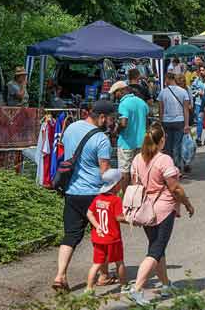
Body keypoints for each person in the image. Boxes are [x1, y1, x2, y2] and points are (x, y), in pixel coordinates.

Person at [127, 123, 195, 305]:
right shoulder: (164, 160)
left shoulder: (137, 159)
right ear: (162, 140)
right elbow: (175, 189)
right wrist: (187, 204)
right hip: (163, 210)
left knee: (158, 249)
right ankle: (137, 288)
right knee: (155, 250)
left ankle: (165, 284)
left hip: (145, 210)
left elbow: (134, 184)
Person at [53, 100, 115, 292]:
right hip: (94, 194)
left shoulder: (71, 128)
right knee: (101, 234)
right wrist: (118, 177)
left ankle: (60, 275)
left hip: (71, 191)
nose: (111, 122)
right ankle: (103, 275)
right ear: (102, 117)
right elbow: (105, 172)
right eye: (110, 118)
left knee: (70, 235)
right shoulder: (102, 139)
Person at [85, 169, 127, 293]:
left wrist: (97, 226)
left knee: (96, 264)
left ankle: (88, 289)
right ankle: (124, 285)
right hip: (113, 238)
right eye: (121, 181)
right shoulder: (115, 200)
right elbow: (119, 217)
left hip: (98, 237)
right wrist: (131, 219)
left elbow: (89, 213)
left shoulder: (98, 198)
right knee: (119, 262)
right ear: (116, 184)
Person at [111, 81, 149, 186]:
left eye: (115, 93)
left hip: (126, 143)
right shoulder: (141, 102)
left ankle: (126, 196)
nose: (115, 96)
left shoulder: (123, 104)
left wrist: (116, 131)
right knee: (139, 170)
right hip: (141, 143)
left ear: (121, 91)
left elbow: (123, 123)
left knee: (124, 171)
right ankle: (138, 193)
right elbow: (147, 122)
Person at [158, 73, 191, 169]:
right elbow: (186, 109)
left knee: (167, 147)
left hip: (166, 122)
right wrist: (186, 124)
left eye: (165, 79)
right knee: (177, 146)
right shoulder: (183, 91)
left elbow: (161, 110)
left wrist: (160, 123)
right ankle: (177, 168)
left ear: (168, 79)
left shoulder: (162, 92)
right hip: (179, 121)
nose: (165, 81)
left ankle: (169, 168)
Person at [191, 66, 205, 143]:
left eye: (203, 70)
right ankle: (198, 138)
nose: (202, 72)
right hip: (199, 103)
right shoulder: (196, 81)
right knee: (199, 120)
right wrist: (198, 92)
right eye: (200, 70)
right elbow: (192, 91)